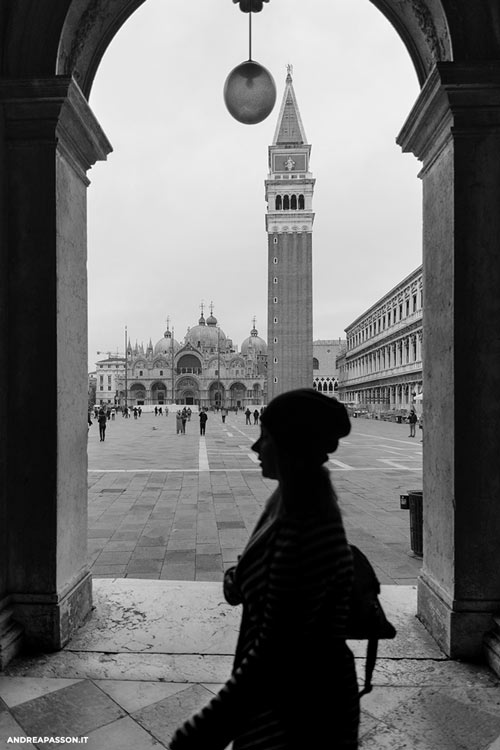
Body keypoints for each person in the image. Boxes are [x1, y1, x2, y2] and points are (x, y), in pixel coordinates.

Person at [168, 389, 359, 750]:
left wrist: (204, 729)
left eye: (266, 438)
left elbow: (276, 651)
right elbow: (255, 578)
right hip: (287, 700)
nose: (256, 448)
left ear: (291, 447)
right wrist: (239, 580)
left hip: (300, 713)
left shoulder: (307, 526)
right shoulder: (287, 502)